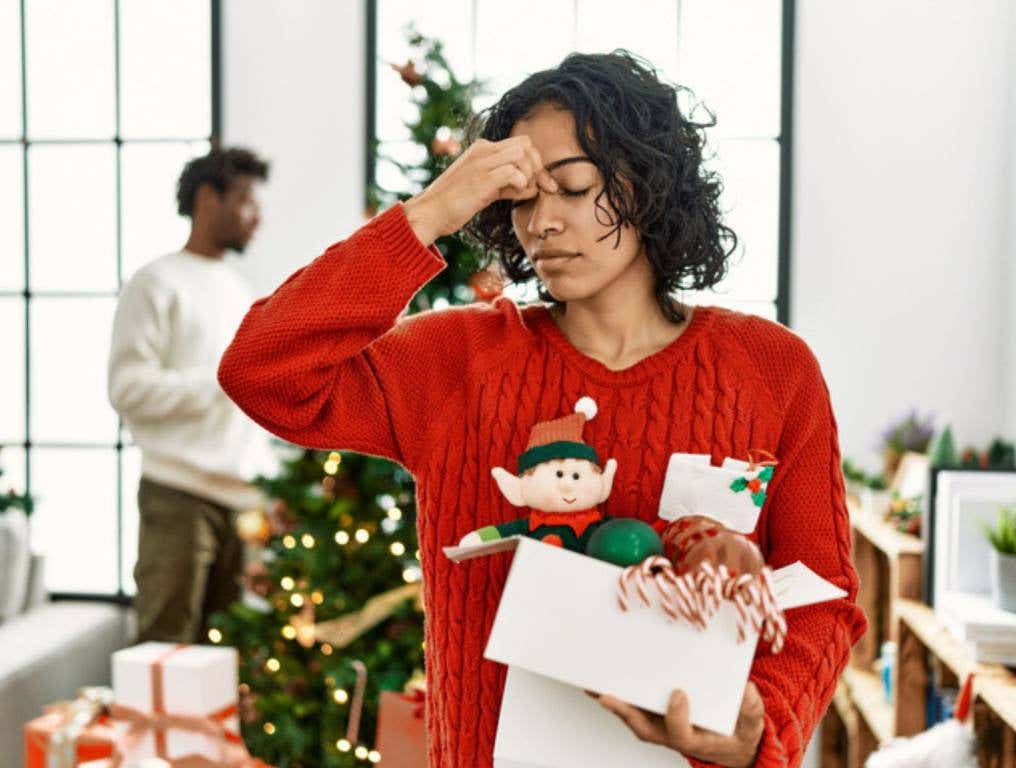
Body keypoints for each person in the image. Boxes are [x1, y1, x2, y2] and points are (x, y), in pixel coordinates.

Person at [218, 52, 866, 767]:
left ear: (650, 183)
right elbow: (261, 369)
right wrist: (430, 212)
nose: (542, 224)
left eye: (573, 187)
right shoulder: (455, 360)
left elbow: (823, 598)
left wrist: (760, 730)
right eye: (522, 199)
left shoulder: (772, 370)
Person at [108, 147, 277, 644]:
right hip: (179, 496)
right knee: (165, 647)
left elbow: (249, 402)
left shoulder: (240, 289)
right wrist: (221, 383)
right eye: (246, 200)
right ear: (208, 198)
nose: (258, 216)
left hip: (243, 503)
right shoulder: (156, 282)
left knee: (225, 658)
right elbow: (127, 389)